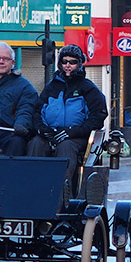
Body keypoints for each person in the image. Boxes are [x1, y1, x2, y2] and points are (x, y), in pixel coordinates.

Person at [27, 44, 108, 186]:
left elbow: (98, 117)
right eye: (64, 62)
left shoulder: (88, 89)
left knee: (66, 147)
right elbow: (37, 111)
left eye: (73, 62)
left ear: (79, 64)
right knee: (35, 144)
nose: (68, 66)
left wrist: (72, 131)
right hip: (51, 133)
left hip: (76, 137)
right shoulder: (51, 87)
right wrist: (42, 130)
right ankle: (33, 186)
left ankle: (62, 191)